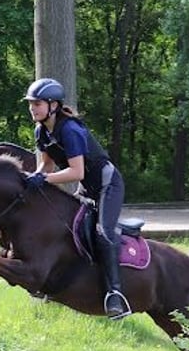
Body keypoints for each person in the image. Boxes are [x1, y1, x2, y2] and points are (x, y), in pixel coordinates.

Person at [22, 77, 131, 320]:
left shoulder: (70, 130)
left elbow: (76, 172)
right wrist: (34, 178)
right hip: (86, 187)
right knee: (66, 226)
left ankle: (115, 294)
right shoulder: (41, 130)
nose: (32, 108)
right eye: (30, 104)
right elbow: (47, 165)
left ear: (53, 105)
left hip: (107, 185)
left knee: (103, 232)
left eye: (37, 103)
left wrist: (45, 180)